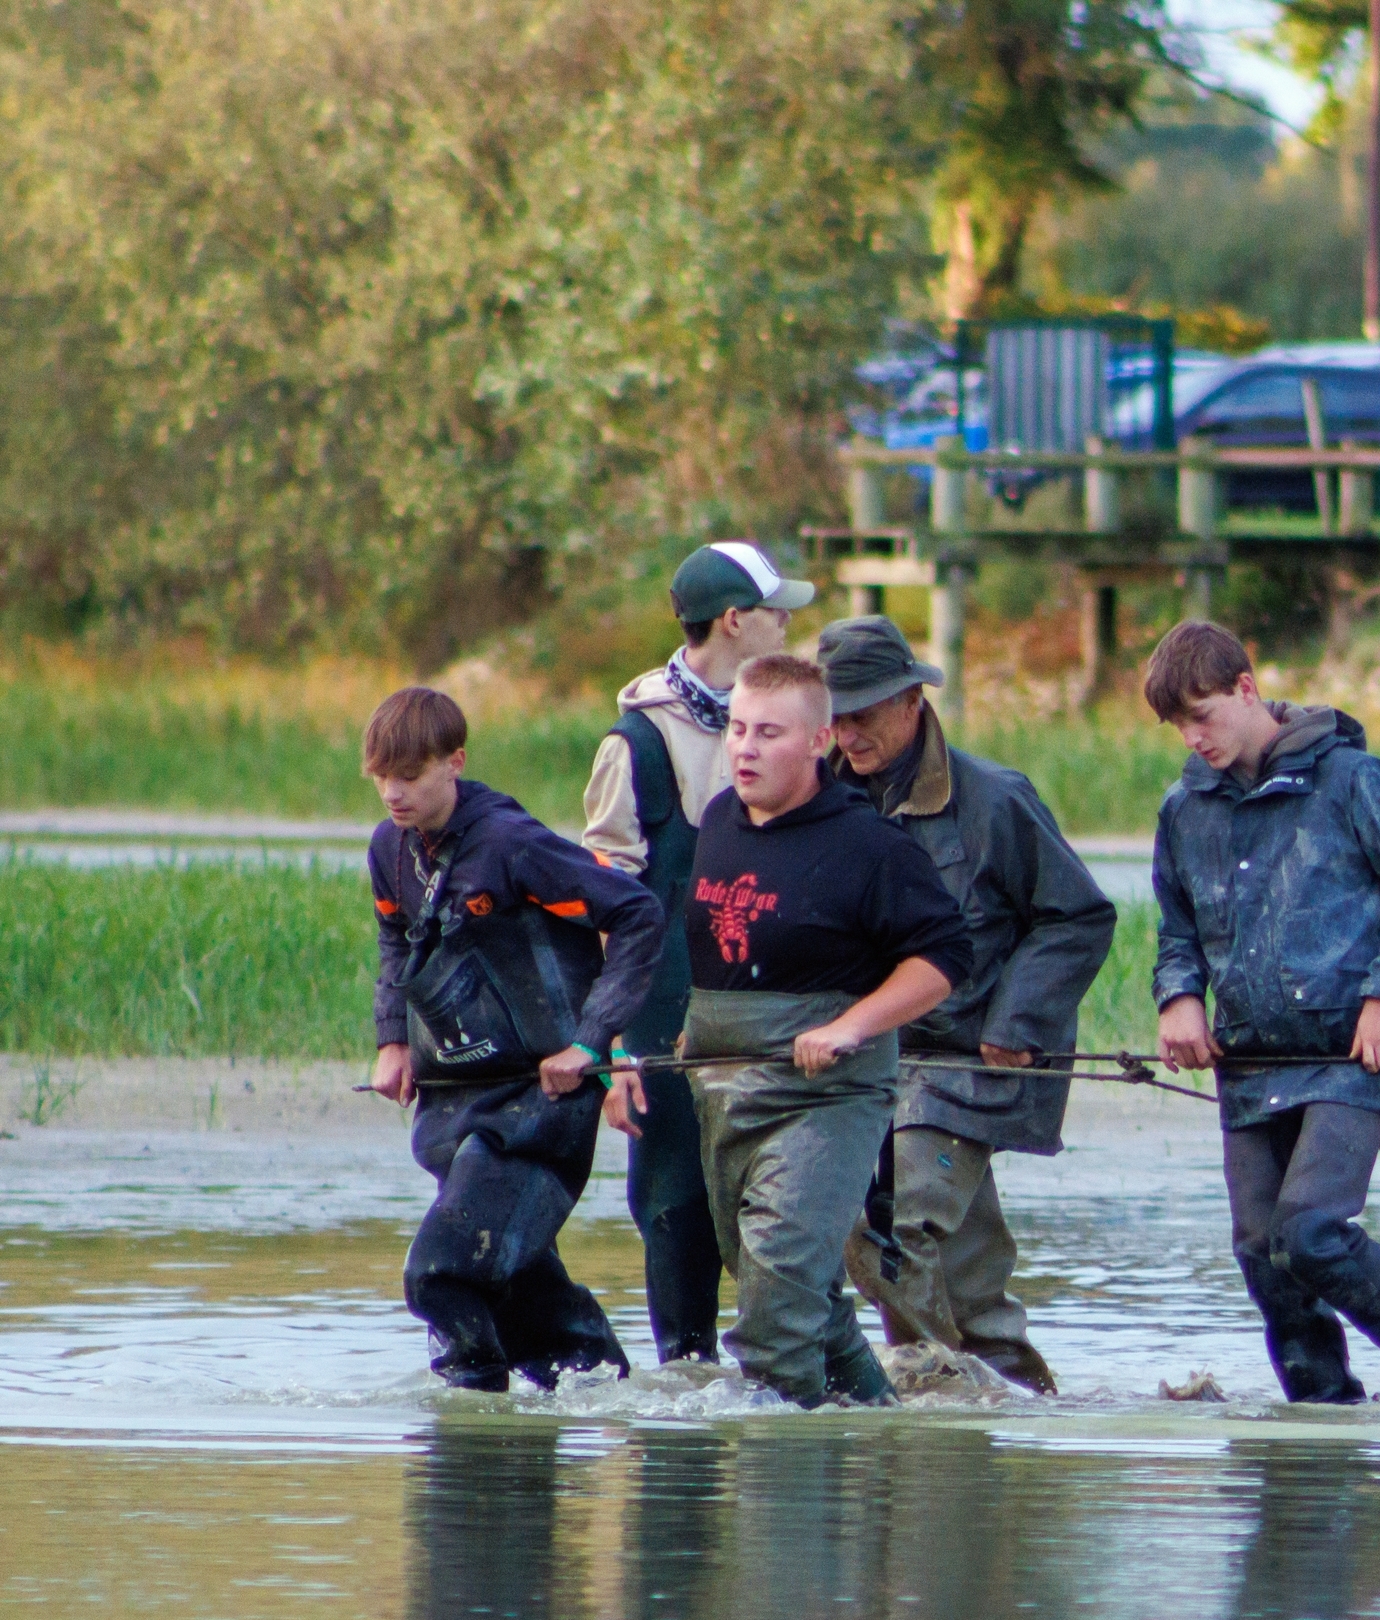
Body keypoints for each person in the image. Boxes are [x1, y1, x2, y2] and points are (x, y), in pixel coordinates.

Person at [605, 653, 969, 1408]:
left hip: (827, 1096)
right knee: (796, 1292)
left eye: (768, 733)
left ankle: (783, 1483)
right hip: (722, 1089)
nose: (744, 748)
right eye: (737, 729)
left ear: (817, 740)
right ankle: (874, 1435)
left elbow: (944, 959)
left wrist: (851, 1025)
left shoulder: (871, 847)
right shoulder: (717, 825)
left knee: (774, 1303)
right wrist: (619, 1044)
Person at [1144, 621, 1380, 1404]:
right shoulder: (1184, 809)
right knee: (1262, 1250)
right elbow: (1177, 926)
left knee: (1311, 1234)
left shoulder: (1354, 781)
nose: (1193, 739)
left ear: (1247, 689)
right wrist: (1178, 995)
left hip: (1346, 1062)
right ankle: (1320, 1410)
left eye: (1204, 716)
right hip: (1249, 1063)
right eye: (1177, 727)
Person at [818, 616, 1118, 1393]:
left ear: (914, 700)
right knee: (973, 1289)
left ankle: (938, 1393)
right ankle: (1016, 1406)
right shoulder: (815, 803)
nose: (846, 734)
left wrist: (1018, 1022)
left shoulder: (995, 801)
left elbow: (1077, 917)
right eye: (834, 716)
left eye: (864, 714)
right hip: (867, 1063)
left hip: (971, 1059)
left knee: (881, 1226)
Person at [364, 686, 666, 1393]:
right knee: (518, 1282)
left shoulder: (511, 845)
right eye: (381, 776)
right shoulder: (389, 852)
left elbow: (637, 915)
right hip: (457, 1098)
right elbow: (393, 942)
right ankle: (604, 1393)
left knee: (440, 1274)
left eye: (409, 775)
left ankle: (472, 1418)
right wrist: (392, 1041)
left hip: (543, 1102)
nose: (393, 793)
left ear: (455, 763)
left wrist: (591, 1044)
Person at [582, 541, 816, 1364]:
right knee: (675, 1209)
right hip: (663, 1017)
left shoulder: (793, 721)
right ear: (733, 621)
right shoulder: (636, 743)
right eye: (775, 608)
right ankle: (684, 1389)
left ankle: (781, 1372)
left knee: (783, 1205)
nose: (789, 620)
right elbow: (608, 902)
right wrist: (614, 1040)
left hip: (773, 1011)